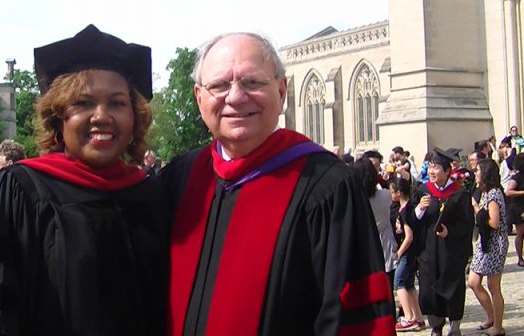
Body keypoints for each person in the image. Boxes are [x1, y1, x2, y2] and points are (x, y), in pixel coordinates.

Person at [0, 25, 168, 335]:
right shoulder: (19, 191)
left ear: (134, 117)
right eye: (83, 103)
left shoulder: (151, 195)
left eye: (117, 103)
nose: (102, 115)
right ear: (58, 118)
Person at [161, 32, 393, 335]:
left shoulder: (327, 186)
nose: (235, 96)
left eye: (252, 82)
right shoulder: (181, 177)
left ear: (282, 90)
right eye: (218, 85)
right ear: (198, 96)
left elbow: (354, 318)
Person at [413, 147, 474, 336]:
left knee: (454, 287)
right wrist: (420, 210)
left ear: (447, 171)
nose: (431, 171)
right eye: (430, 167)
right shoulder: (423, 190)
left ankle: (455, 326)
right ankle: (436, 327)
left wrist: (450, 232)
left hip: (451, 251)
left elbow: (467, 224)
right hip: (429, 251)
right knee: (429, 288)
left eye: (436, 167)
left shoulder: (459, 193)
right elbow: (412, 221)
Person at [353, 158, 399, 318]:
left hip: (365, 246)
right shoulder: (385, 196)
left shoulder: (355, 199)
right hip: (385, 245)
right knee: (388, 290)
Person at [467, 158, 507, 336]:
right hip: (485, 243)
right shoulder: (485, 192)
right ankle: (491, 317)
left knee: (493, 287)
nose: (475, 173)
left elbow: (494, 222)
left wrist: (477, 210)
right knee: (473, 282)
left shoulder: (493, 194)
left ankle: (498, 327)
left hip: (494, 244)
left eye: (478, 171)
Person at [389, 178, 425, 332]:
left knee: (399, 283)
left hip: (407, 253)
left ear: (398, 193)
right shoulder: (403, 208)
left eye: (392, 192)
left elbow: (409, 236)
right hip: (410, 254)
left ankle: (408, 317)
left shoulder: (406, 211)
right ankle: (418, 317)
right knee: (409, 285)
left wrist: (399, 252)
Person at [505, 152, 524, 267]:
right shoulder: (517, 177)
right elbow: (509, 191)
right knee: (520, 234)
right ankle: (520, 258)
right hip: (518, 208)